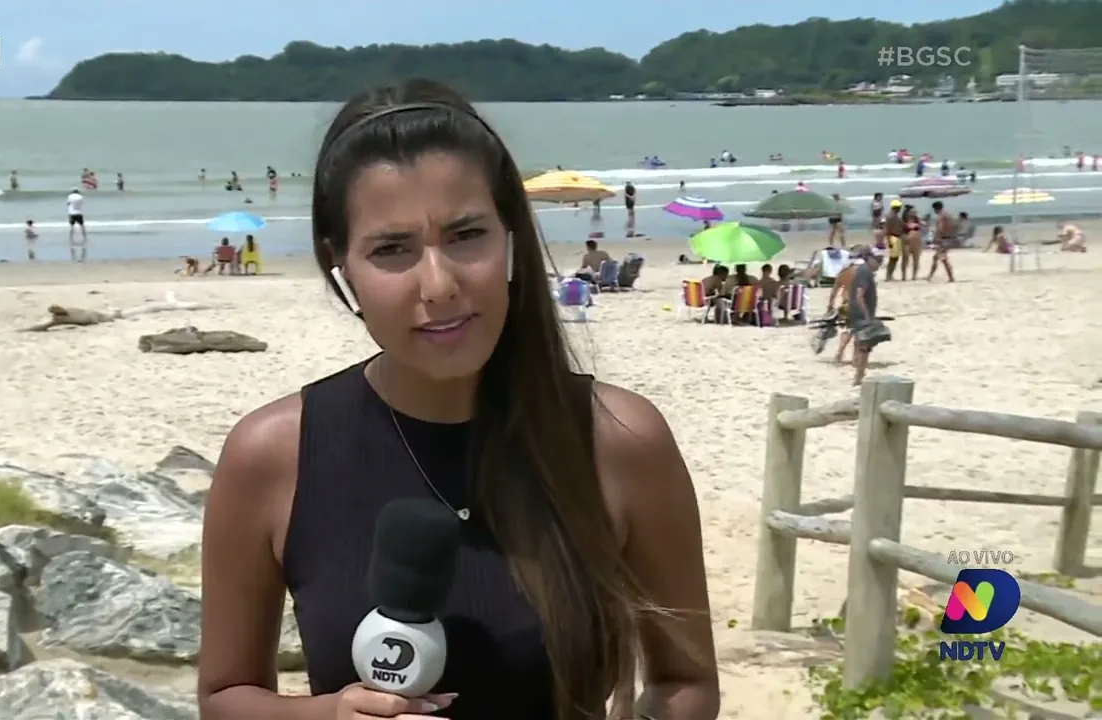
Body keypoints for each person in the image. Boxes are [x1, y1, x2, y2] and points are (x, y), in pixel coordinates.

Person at [197, 79, 719, 720]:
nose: (439, 284)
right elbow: (226, 696)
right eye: (392, 249)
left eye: (466, 235)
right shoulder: (272, 454)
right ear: (342, 267)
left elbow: (685, 681)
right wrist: (328, 715)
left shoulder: (618, 438)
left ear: (509, 240)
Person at [846, 246, 886, 386]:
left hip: (857, 313)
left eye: (882, 261)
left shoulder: (864, 271)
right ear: (868, 258)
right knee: (865, 345)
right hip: (861, 314)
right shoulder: (865, 272)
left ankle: (859, 373)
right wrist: (867, 315)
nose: (880, 264)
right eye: (878, 260)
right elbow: (859, 295)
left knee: (860, 343)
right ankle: (859, 376)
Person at [927, 201, 956, 282]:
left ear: (935, 209)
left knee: (943, 259)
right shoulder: (948, 215)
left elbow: (940, 228)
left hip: (943, 239)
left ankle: (951, 278)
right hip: (948, 238)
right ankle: (930, 276)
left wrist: (935, 239)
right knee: (936, 258)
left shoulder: (942, 216)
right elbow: (954, 226)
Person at [66, 187, 88, 262]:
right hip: (79, 213)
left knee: (72, 227)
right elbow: (82, 204)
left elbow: (68, 204)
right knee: (82, 226)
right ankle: (85, 238)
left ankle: (71, 238)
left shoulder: (70, 196)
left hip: (72, 213)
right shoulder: (81, 197)